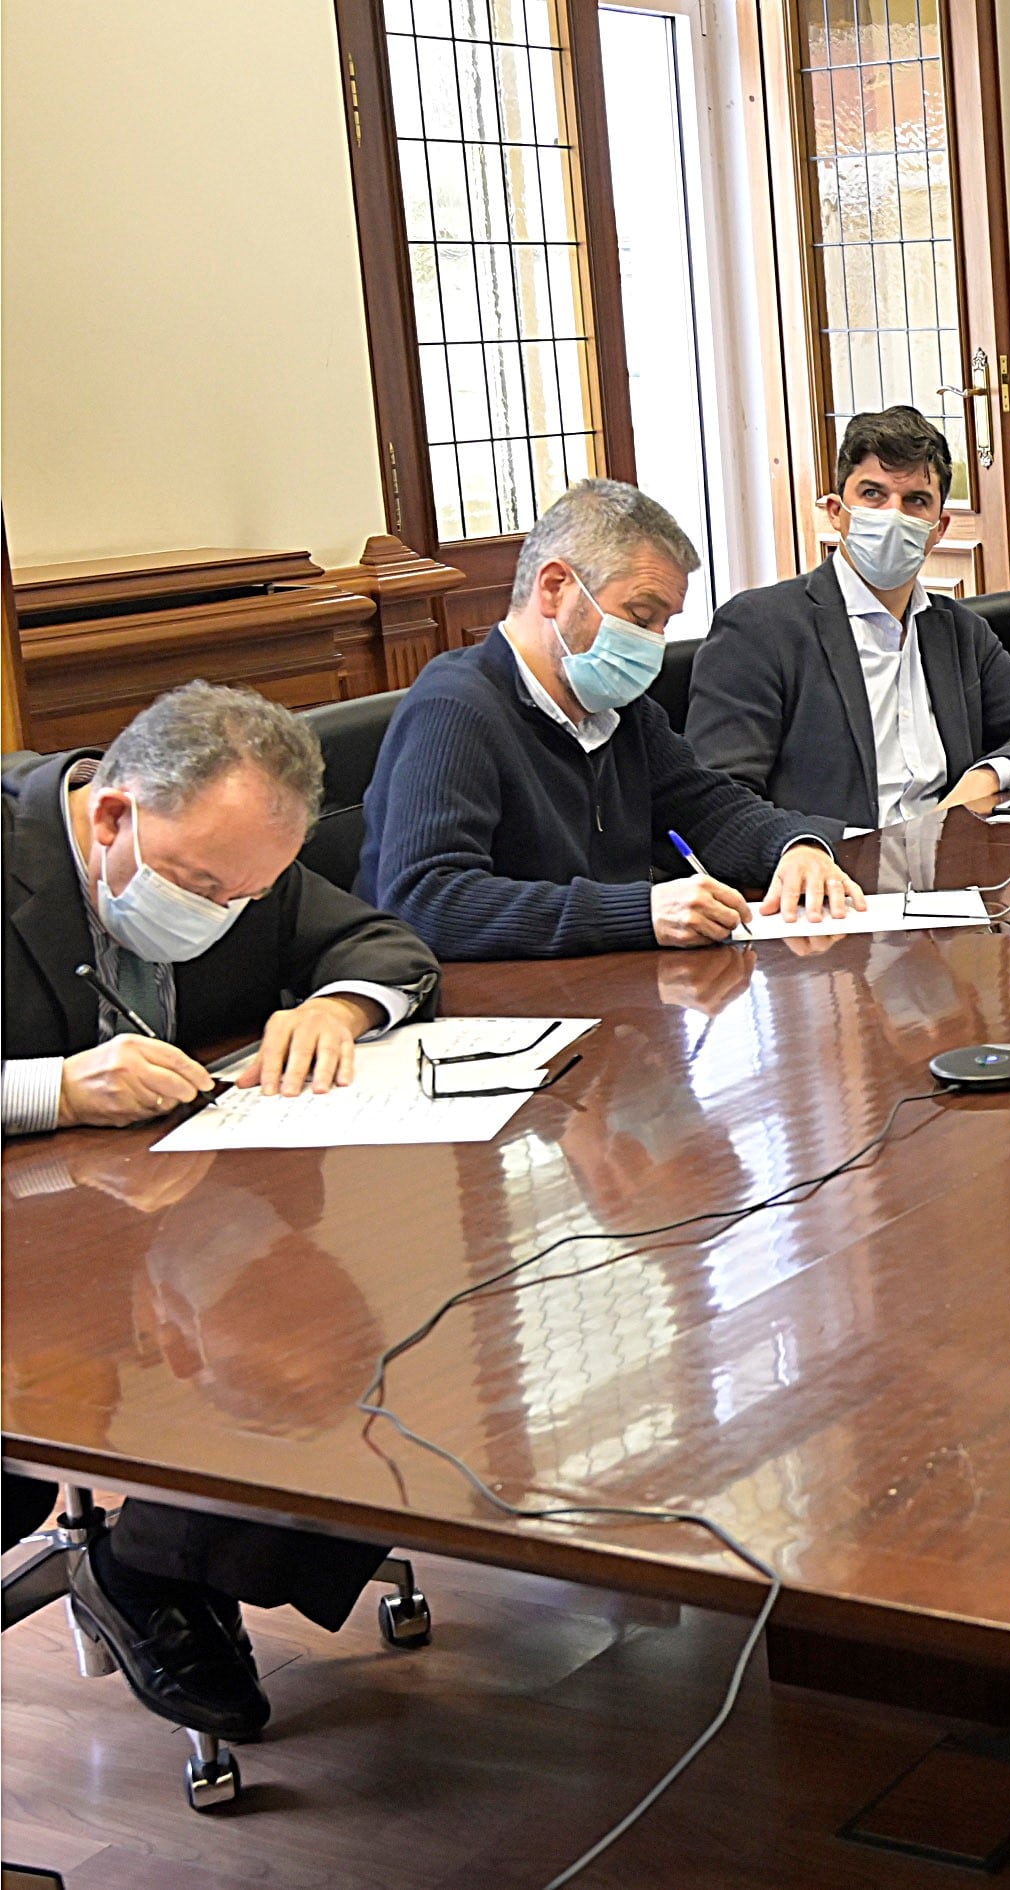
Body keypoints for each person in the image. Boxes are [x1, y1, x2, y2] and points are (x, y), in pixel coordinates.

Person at [2, 681, 441, 1744]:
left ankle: (160, 1558)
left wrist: (337, 1006)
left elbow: (391, 947)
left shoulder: (242, 861)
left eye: (246, 896)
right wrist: (51, 1089)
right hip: (26, 1252)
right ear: (111, 816)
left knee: (342, 1359)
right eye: (200, 885)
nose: (220, 914)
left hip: (174, 1204)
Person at [361, 479, 868, 958]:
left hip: (614, 992)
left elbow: (710, 809)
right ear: (556, 587)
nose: (653, 641)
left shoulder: (620, 712)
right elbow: (427, 898)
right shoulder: (454, 709)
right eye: (641, 616)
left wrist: (795, 846)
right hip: (495, 1016)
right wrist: (638, 912)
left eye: (664, 623)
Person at [688, 406, 1010, 828]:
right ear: (836, 511)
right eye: (872, 494)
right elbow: (717, 797)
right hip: (832, 871)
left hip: (951, 861)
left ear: (939, 528)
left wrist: (987, 775)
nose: (893, 514)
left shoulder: (955, 630)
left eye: (915, 501)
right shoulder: (761, 627)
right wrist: (805, 846)